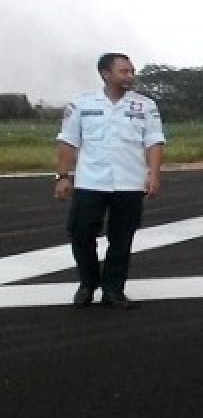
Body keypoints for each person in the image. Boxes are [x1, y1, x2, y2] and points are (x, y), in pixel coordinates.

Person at [54, 53, 166, 309]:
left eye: (131, 71)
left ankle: (113, 290)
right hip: (90, 181)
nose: (130, 76)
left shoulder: (145, 106)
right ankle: (87, 283)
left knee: (122, 238)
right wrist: (62, 176)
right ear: (106, 74)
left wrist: (154, 174)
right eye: (124, 71)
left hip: (129, 182)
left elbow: (154, 142)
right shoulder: (81, 104)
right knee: (81, 232)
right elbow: (68, 141)